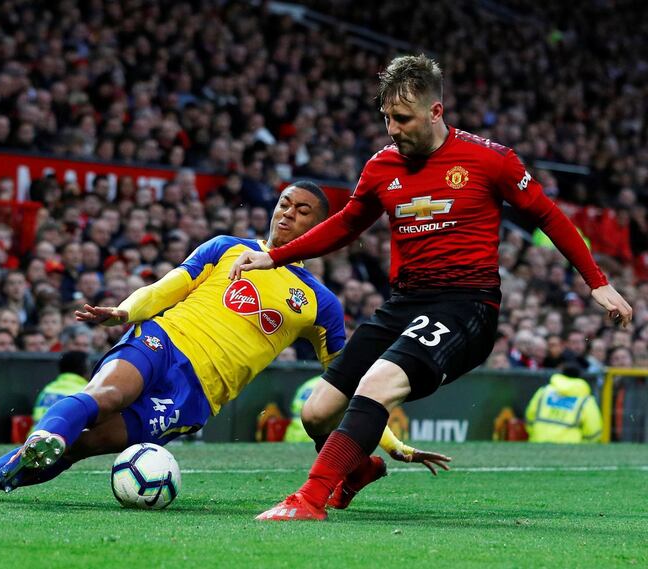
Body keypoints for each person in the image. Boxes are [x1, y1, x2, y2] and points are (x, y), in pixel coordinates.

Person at [228, 54, 633, 521]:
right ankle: (357, 472)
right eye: (386, 118)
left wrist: (596, 282)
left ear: (435, 112)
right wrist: (275, 255)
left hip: (467, 305)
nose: (393, 129)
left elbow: (548, 214)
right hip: (405, 303)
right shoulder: (381, 167)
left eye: (402, 118)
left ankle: (308, 500)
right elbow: (346, 224)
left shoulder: (489, 159)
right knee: (317, 412)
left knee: (378, 383)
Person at [0, 182, 447, 499]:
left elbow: (349, 387)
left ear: (322, 229)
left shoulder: (319, 303)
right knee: (103, 395)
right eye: (283, 203)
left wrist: (393, 447)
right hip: (163, 338)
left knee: (88, 442)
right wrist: (123, 313)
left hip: (197, 394)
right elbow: (168, 287)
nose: (287, 213)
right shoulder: (227, 247)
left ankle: (29, 455)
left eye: (303, 210)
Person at [524, 366, 602, 443]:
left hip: (538, 441)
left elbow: (530, 416)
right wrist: (583, 445)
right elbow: (594, 430)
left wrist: (534, 434)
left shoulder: (544, 391)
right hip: (571, 447)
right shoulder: (586, 399)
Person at [33, 351, 90, 422]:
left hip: (36, 432)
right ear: (85, 370)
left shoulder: (47, 390)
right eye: (88, 367)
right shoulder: (86, 392)